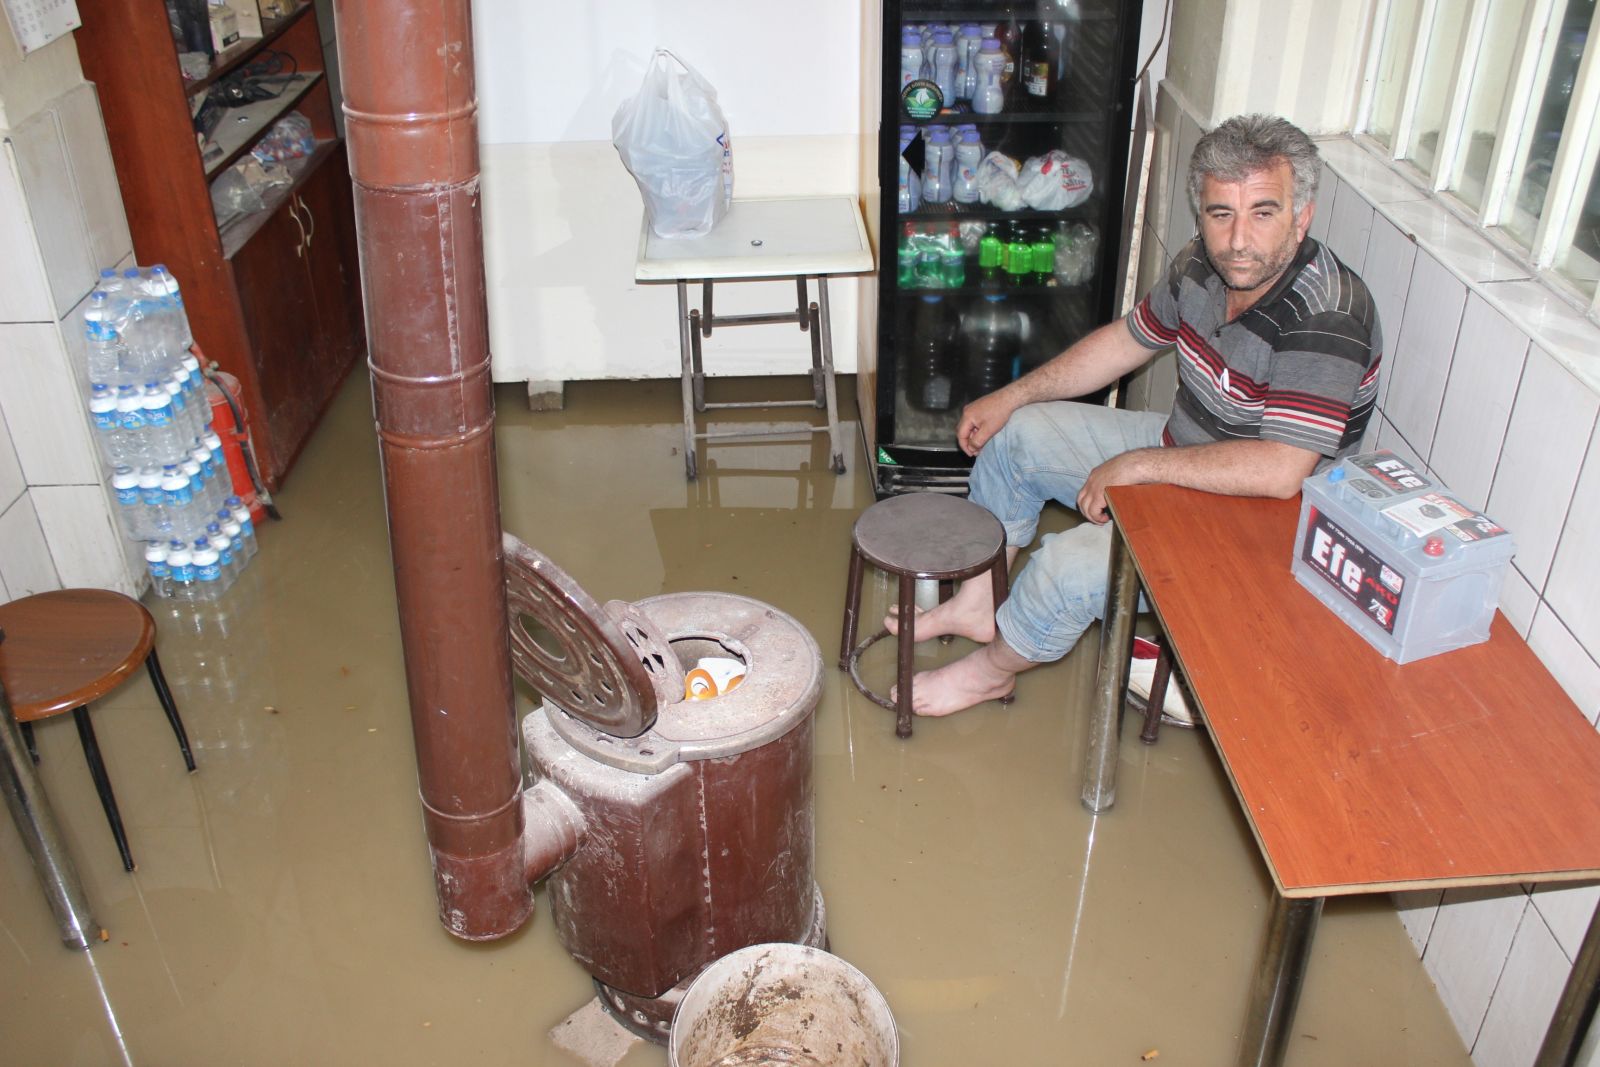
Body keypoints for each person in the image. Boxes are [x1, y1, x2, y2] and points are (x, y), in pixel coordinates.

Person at [891, 113, 1383, 717]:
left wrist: (1139, 466)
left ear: (1301, 216)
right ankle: (977, 601)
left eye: (1263, 212)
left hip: (1260, 520)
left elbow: (1282, 470)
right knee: (1017, 435)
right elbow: (1128, 340)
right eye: (1220, 213)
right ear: (1200, 212)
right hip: (1182, 447)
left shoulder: (1327, 314)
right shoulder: (1204, 264)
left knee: (1063, 570)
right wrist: (1013, 396)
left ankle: (992, 673)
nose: (1237, 239)